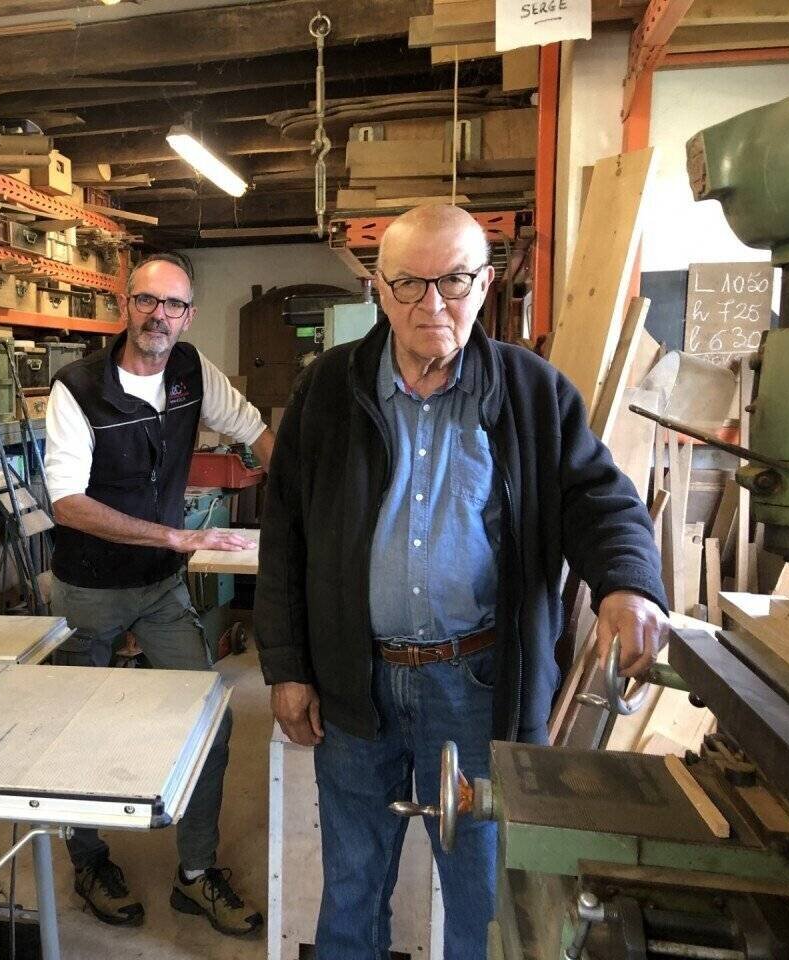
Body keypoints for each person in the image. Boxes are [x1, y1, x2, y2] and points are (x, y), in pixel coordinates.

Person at [256, 204, 667, 959]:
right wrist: (287, 666)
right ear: (379, 288)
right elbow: (284, 535)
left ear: (484, 284)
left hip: (481, 688)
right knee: (350, 892)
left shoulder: (533, 392)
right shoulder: (328, 390)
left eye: (453, 281)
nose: (432, 304)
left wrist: (628, 586)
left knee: (488, 903)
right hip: (355, 681)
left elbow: (600, 501)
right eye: (409, 284)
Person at [42, 251, 271, 937]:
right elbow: (67, 502)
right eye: (147, 301)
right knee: (76, 729)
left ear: (188, 316)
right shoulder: (77, 388)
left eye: (173, 305)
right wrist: (172, 537)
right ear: (126, 305)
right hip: (89, 588)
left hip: (160, 588)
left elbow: (255, 431)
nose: (159, 316)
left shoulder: (192, 372)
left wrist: (301, 498)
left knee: (210, 721)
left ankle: (195, 875)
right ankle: (89, 861)